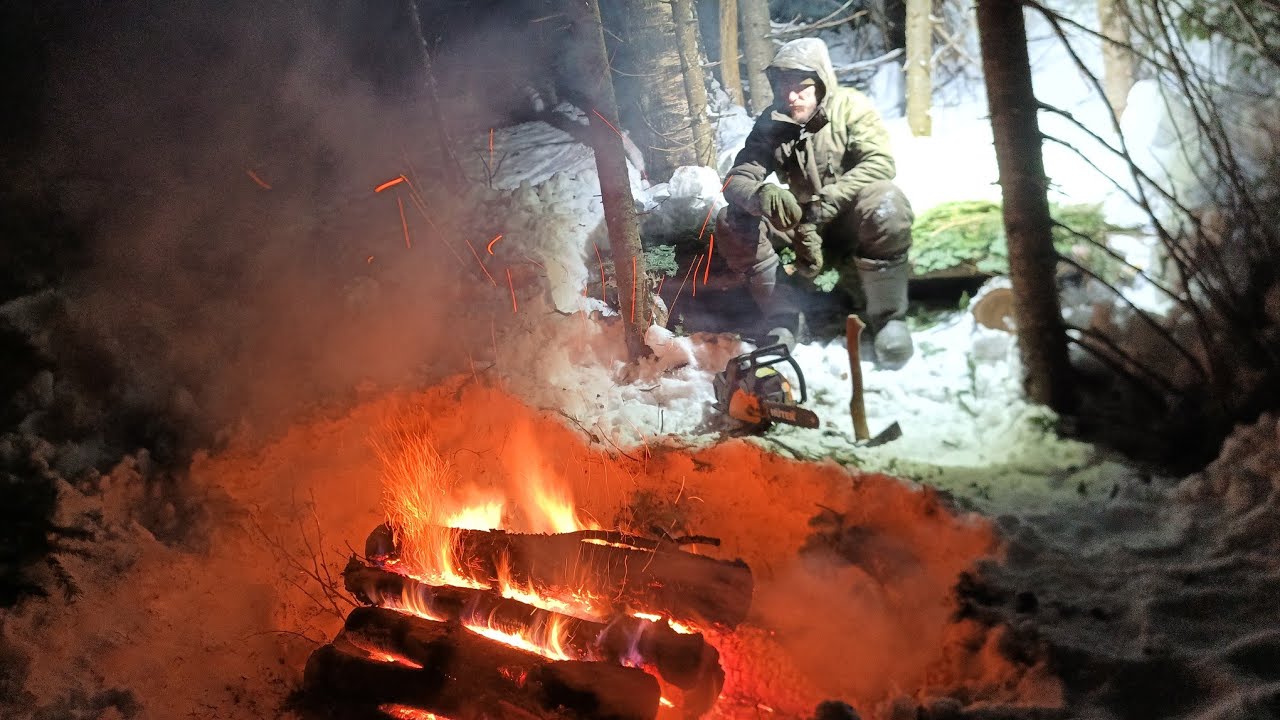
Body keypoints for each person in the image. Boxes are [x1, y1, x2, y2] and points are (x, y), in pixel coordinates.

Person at [716, 37, 916, 369]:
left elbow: (880, 164)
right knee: (731, 220)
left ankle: (888, 319)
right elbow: (735, 180)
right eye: (784, 87)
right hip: (798, 226)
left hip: (848, 220)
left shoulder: (851, 107)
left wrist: (828, 200)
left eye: (802, 87)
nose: (792, 96)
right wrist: (760, 196)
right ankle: (784, 318)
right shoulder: (772, 123)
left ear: (822, 83)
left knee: (887, 203)